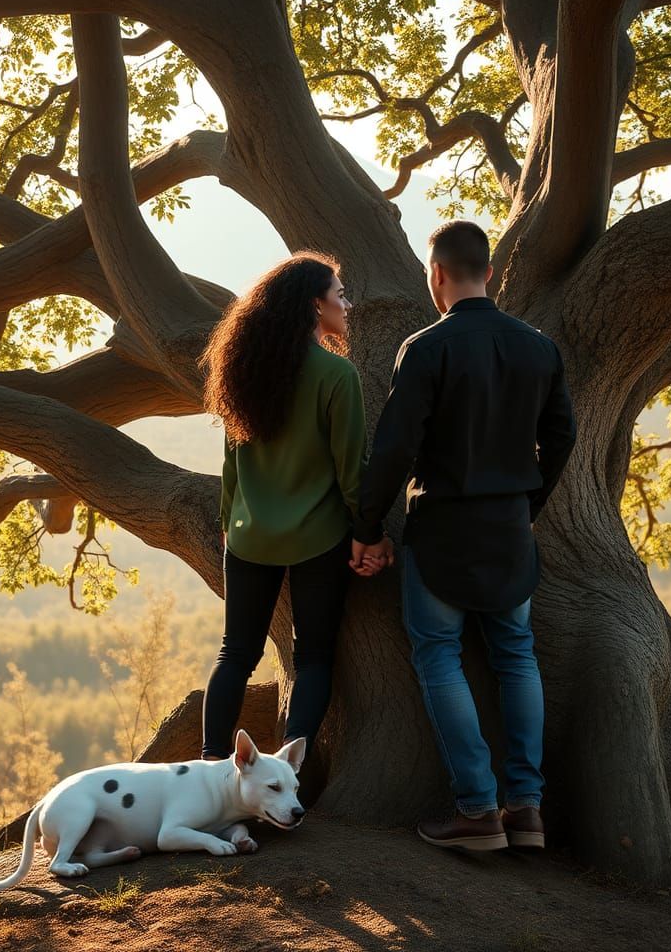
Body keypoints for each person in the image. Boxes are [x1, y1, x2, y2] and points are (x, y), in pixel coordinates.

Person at [351, 220, 577, 851]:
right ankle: (527, 812)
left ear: (438, 275)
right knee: (516, 655)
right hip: (509, 530)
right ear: (492, 274)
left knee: (439, 657)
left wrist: (367, 527)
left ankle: (478, 810)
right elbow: (563, 438)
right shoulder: (539, 348)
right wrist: (528, 501)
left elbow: (394, 449)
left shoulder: (425, 348)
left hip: (443, 528)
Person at [199, 252, 364, 765]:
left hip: (249, 536)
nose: (347, 304)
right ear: (316, 306)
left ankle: (210, 765)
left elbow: (231, 460)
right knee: (313, 657)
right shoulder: (337, 376)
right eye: (340, 294)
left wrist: (229, 521)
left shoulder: (246, 368)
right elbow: (352, 472)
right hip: (319, 538)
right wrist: (369, 532)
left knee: (236, 654)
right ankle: (286, 773)